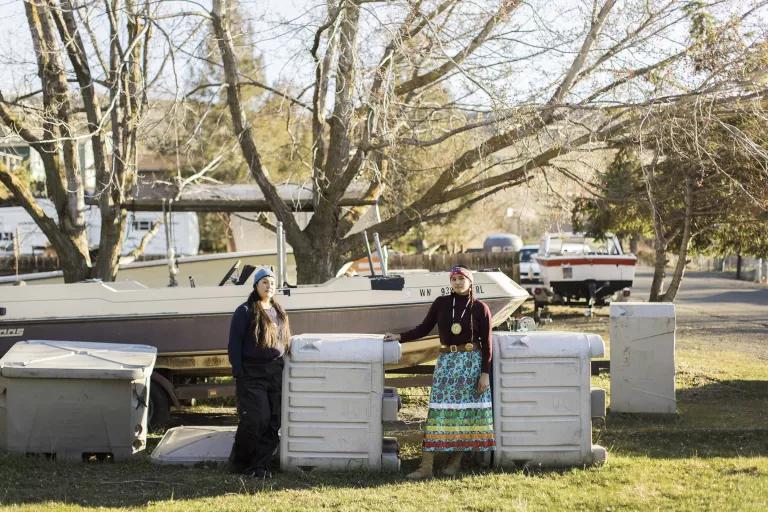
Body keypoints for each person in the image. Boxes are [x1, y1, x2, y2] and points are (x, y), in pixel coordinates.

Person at [384, 265, 495, 479]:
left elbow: (487, 345)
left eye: (461, 278)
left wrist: (485, 374)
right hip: (446, 364)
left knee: (464, 412)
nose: (457, 282)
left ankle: (455, 462)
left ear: (471, 282)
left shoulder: (481, 308)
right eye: (453, 279)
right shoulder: (441, 303)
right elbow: (424, 328)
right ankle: (426, 467)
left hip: (471, 365)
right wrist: (400, 337)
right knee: (438, 412)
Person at [228, 267, 291, 478]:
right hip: (251, 374)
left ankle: (260, 466)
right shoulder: (244, 311)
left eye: (272, 283)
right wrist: (239, 371)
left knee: (274, 421)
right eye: (265, 282)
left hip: (275, 372)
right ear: (256, 285)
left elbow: (285, 340)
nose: (269, 286)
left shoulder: (279, 311)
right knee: (256, 419)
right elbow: (234, 344)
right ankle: (240, 462)